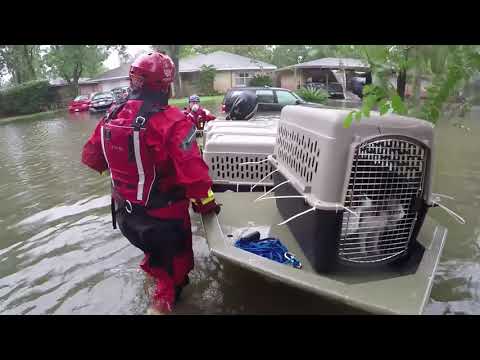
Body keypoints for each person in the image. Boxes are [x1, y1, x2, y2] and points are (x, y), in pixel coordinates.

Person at [81, 52, 220, 314]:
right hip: (164, 222)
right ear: (166, 85)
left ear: (133, 80)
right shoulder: (175, 122)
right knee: (174, 276)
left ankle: (158, 280)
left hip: (125, 218)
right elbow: (197, 178)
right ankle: (163, 301)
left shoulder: (111, 116)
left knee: (157, 259)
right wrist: (207, 206)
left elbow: (92, 159)